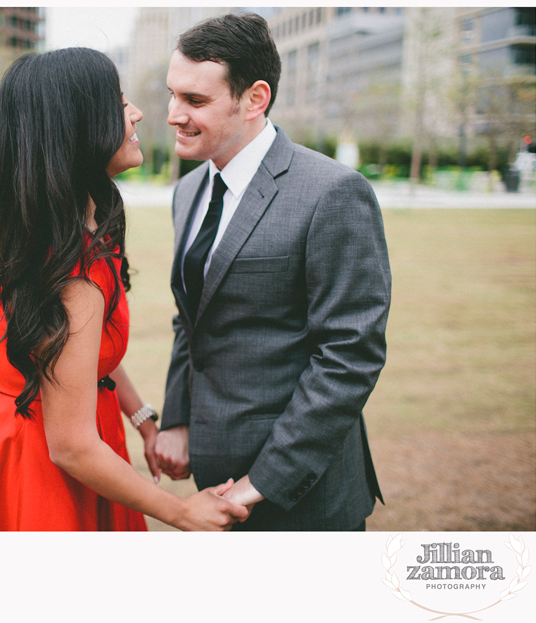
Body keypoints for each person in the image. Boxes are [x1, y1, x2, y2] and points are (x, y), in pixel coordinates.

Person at [0, 47, 248, 531]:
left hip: (27, 444)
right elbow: (71, 445)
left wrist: (143, 419)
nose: (139, 112)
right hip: (47, 475)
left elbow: (78, 356)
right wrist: (181, 511)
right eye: (119, 102)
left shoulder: (47, 231)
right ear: (76, 129)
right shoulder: (73, 273)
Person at [154, 14, 391, 531]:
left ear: (255, 98)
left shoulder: (332, 193)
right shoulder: (188, 191)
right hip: (210, 482)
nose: (173, 114)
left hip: (304, 495)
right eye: (172, 95)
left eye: (195, 101)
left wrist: (261, 482)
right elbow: (191, 321)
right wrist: (176, 418)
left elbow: (350, 354)